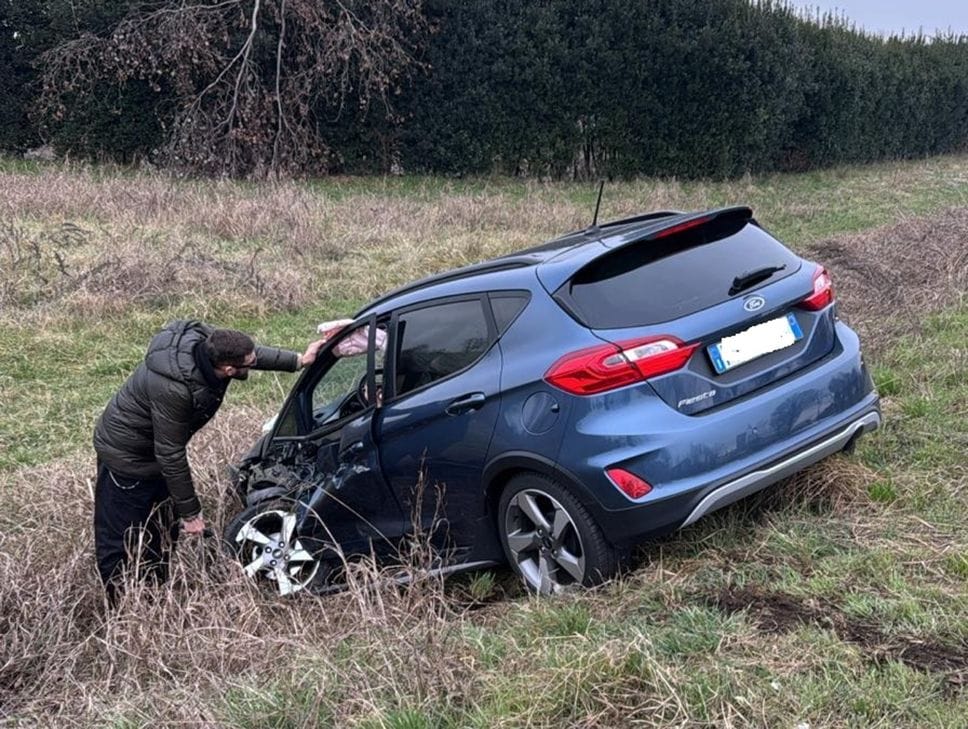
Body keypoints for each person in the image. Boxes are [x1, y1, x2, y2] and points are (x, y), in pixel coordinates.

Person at [92, 319, 328, 599]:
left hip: (156, 457)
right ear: (228, 370)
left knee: (162, 528)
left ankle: (154, 593)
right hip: (126, 457)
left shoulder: (210, 342)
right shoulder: (175, 389)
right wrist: (191, 513)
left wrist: (299, 360)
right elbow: (170, 453)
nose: (254, 363)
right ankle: (122, 606)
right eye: (248, 363)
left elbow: (251, 354)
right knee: (122, 538)